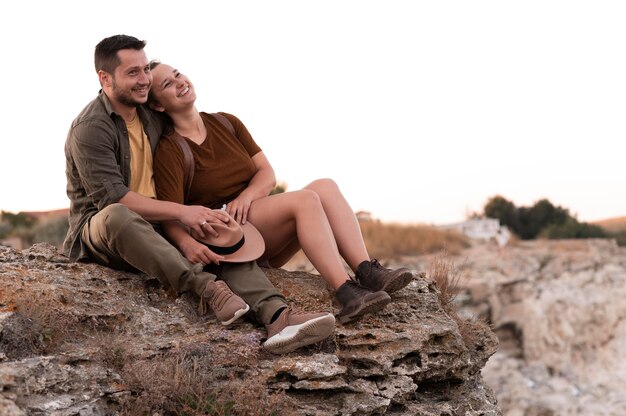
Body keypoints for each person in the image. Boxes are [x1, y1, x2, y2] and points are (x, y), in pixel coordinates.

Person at [63, 34, 335, 354]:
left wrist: (202, 219)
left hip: (159, 224)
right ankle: (206, 288)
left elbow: (184, 115)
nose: (144, 79)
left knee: (213, 228)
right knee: (120, 216)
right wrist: (182, 212)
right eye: (132, 73)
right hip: (105, 232)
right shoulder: (91, 128)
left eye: (145, 71)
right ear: (105, 78)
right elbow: (114, 199)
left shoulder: (150, 114)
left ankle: (278, 319)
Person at [148, 61, 415, 324]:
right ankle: (347, 293)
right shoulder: (170, 150)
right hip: (233, 241)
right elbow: (172, 217)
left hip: (263, 225)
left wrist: (248, 195)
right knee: (306, 199)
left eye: (178, 73)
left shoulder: (226, 122)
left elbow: (266, 172)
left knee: (325, 186)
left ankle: (367, 271)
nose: (180, 82)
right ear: (158, 104)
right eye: (168, 84)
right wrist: (188, 245)